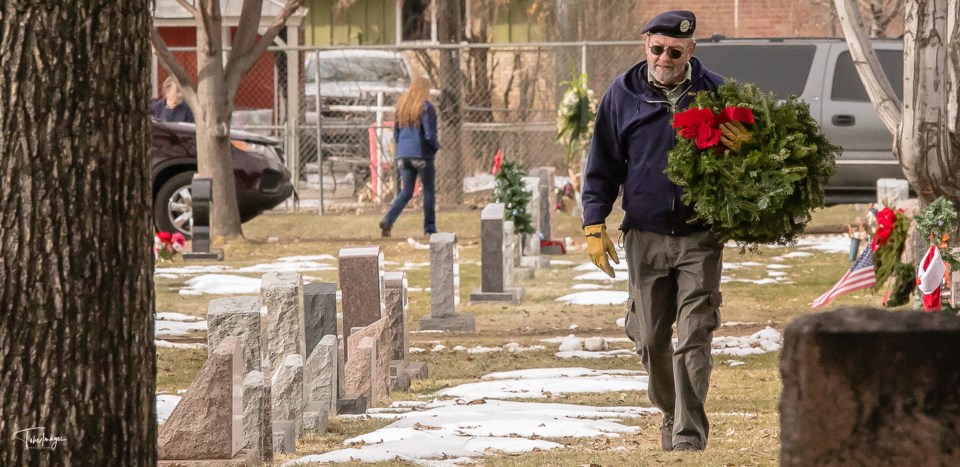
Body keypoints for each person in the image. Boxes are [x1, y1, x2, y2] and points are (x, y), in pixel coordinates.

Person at [581, 10, 749, 452]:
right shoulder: (623, 94)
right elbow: (602, 164)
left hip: (700, 235)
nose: (665, 58)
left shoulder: (715, 93)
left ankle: (689, 434)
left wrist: (747, 147)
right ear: (646, 45)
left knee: (695, 334)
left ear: (691, 51)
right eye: (657, 48)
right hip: (645, 233)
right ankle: (672, 412)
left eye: (675, 51)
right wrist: (593, 221)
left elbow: (752, 164)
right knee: (651, 338)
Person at [379, 76, 439, 237]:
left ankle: (388, 220)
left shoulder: (402, 107)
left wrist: (402, 150)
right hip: (421, 155)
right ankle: (429, 228)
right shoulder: (426, 108)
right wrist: (434, 147)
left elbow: (396, 134)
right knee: (428, 191)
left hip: (402, 155)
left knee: (407, 191)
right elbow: (429, 134)